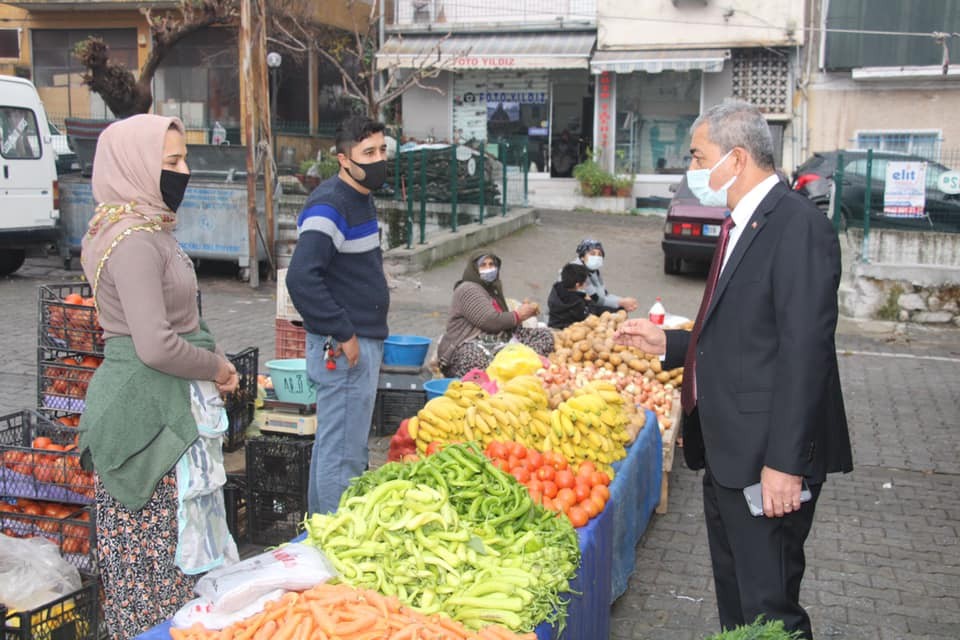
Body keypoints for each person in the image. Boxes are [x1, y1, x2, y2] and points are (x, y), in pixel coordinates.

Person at [614, 100, 852, 639]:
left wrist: (785, 466)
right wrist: (671, 343)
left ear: (737, 158)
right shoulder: (740, 224)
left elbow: (804, 353)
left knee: (770, 612)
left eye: (699, 157)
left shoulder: (798, 228)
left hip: (767, 462)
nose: (692, 171)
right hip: (727, 454)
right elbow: (738, 333)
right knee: (738, 607)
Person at [77, 114, 240, 638]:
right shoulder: (132, 241)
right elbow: (155, 344)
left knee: (177, 579)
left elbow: (179, 322)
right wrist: (214, 366)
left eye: (184, 158)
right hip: (146, 418)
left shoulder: (146, 228)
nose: (184, 171)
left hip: (165, 402)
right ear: (136, 166)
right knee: (156, 582)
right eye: (170, 163)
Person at [286, 115, 390, 516]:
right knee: (341, 454)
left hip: (359, 342)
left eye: (382, 150)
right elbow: (301, 277)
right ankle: (332, 542)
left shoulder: (361, 197)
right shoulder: (331, 205)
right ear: (343, 160)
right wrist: (343, 330)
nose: (379, 159)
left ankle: (322, 532)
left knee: (343, 446)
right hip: (345, 348)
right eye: (369, 153)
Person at [437, 252, 554, 378]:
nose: (488, 269)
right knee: (474, 358)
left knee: (544, 335)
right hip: (470, 342)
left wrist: (522, 314)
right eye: (483, 265)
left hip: (499, 340)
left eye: (491, 264)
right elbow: (489, 321)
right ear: (474, 269)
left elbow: (503, 320)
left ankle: (515, 365)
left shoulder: (492, 288)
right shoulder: (467, 289)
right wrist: (518, 315)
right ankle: (507, 369)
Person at [570, 239, 639, 313]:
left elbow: (604, 294)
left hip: (589, 304)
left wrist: (624, 301)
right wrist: (621, 302)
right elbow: (595, 299)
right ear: (582, 257)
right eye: (592, 254)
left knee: (620, 309)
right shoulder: (577, 271)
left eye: (599, 254)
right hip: (574, 309)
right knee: (617, 310)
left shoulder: (595, 271)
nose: (596, 257)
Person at [547, 262, 592, 329]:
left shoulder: (556, 288)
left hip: (553, 324)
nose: (585, 284)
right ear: (577, 285)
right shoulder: (577, 302)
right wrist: (589, 302)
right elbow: (584, 317)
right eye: (584, 282)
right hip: (569, 330)